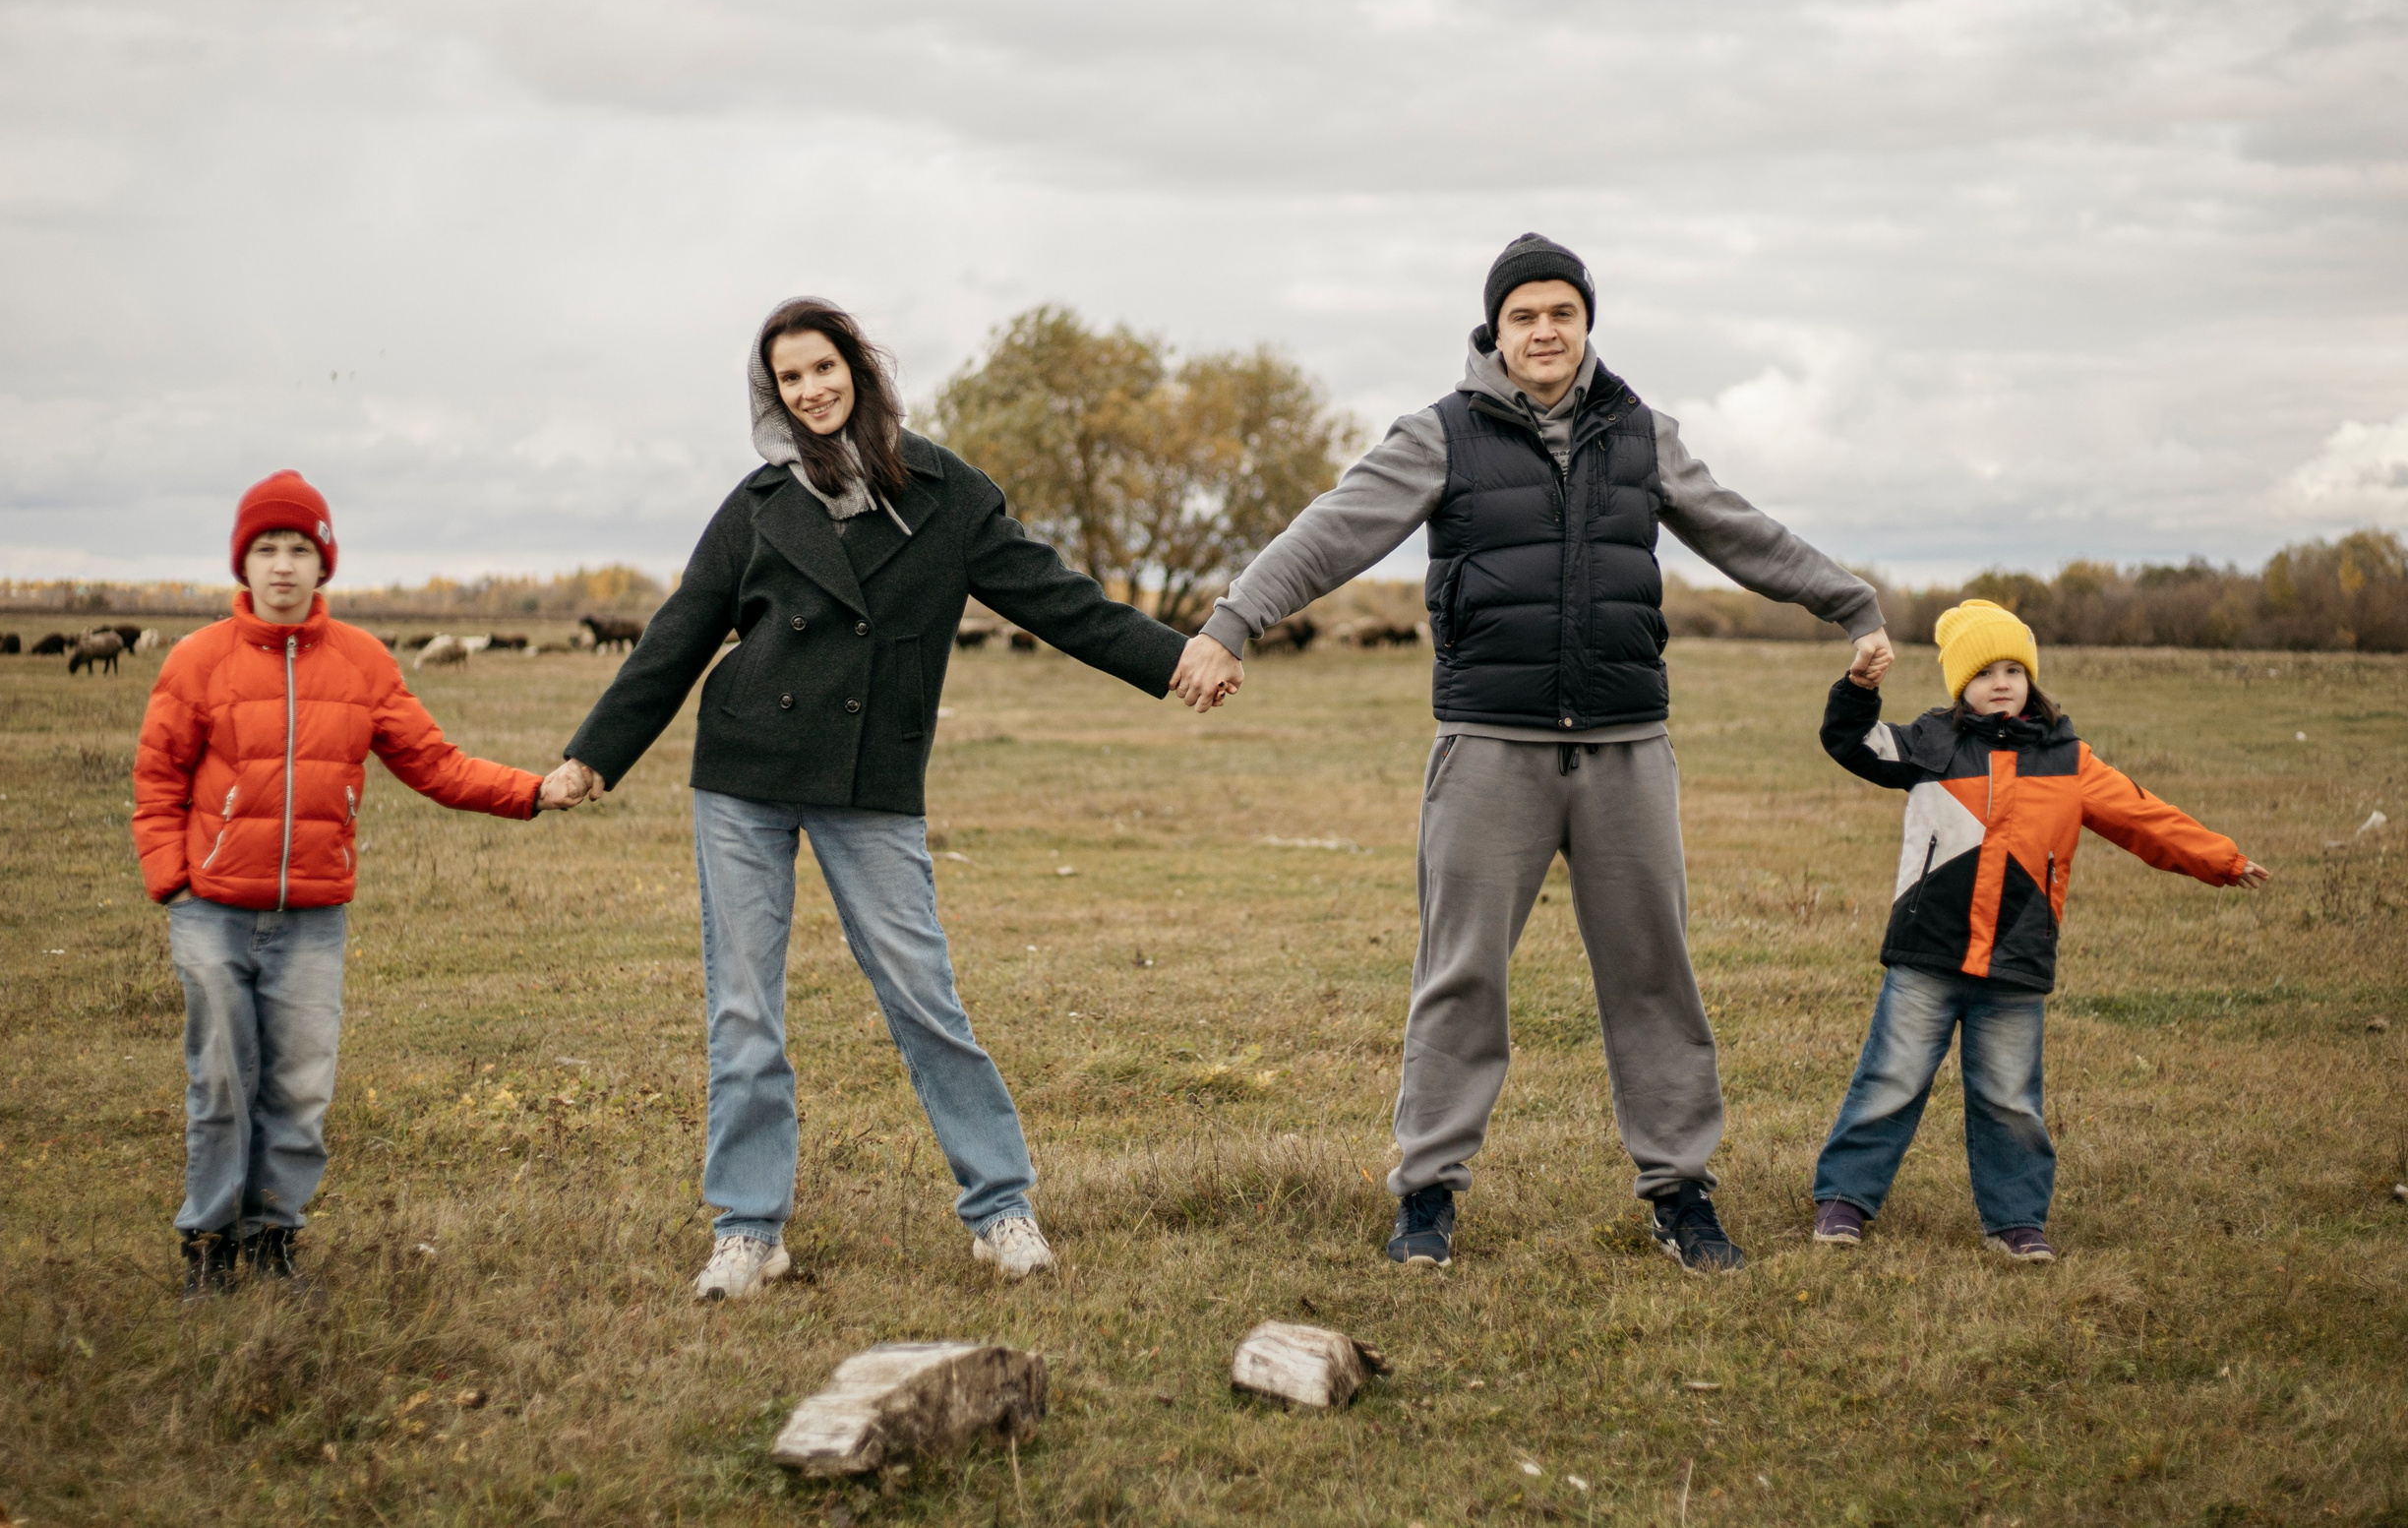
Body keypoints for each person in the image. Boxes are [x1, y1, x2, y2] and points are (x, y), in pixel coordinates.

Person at [1171, 233, 1894, 1272]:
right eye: (1523, 316)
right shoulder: (1441, 435)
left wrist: (1847, 599)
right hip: (1487, 749)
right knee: (1459, 975)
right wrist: (1234, 620)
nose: (1543, 331)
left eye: (1560, 312)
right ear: (1494, 330)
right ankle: (1426, 1195)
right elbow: (1334, 530)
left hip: (1625, 748)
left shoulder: (1644, 434)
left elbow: (1737, 529)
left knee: (1653, 975)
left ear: (1586, 322)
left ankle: (1681, 1192)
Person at [545, 297, 1188, 1302]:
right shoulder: (759, 504)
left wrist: (1174, 661)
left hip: (869, 780)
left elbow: (1057, 600)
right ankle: (748, 1230)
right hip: (744, 774)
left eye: (822, 368)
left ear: (860, 368)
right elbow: (678, 634)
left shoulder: (946, 494)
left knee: (923, 996)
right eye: (788, 379)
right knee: (744, 1008)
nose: (809, 390)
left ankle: (1000, 1209)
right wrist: (594, 756)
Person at [133, 470, 581, 1298]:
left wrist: (530, 789)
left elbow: (436, 765)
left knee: (300, 1081)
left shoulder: (364, 662)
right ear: (243, 561)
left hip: (312, 914)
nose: (281, 565)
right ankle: (208, 1243)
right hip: (213, 909)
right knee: (222, 1075)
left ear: (323, 561)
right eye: (265, 548)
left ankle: (273, 1234)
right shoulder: (197, 660)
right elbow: (157, 780)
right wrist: (174, 883)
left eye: (299, 548)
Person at [1810, 600, 2268, 1261]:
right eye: (1984, 671)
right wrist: (1859, 687)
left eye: (2013, 669)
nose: (2001, 681)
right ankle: (1844, 1201)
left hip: (2015, 961)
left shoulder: (2068, 759)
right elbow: (1849, 742)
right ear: (1959, 684)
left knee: (2009, 1098)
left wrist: (2222, 859)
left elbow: (2146, 819)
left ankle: (2017, 1219)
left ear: (2031, 679)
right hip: (1926, 954)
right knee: (1890, 1078)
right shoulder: (1929, 743)